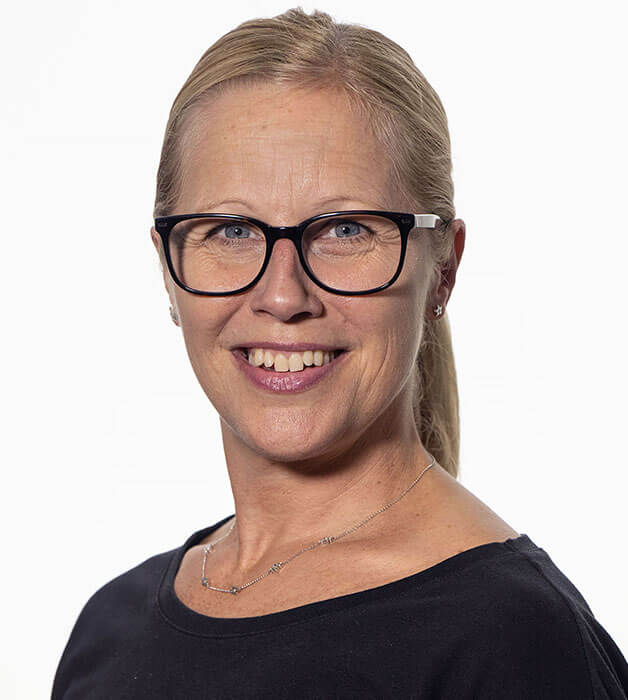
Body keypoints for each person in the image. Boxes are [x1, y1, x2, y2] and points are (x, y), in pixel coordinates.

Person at [51, 8, 628, 699]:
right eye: (231, 230)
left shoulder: (512, 643)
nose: (283, 295)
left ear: (442, 269)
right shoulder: (110, 630)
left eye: (346, 229)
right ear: (168, 268)